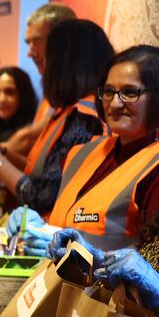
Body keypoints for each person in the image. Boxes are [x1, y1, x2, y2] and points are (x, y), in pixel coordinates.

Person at [0, 19, 113, 218]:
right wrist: (2, 151)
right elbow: (41, 172)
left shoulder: (85, 119)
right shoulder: (69, 112)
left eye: (48, 58)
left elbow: (39, 194)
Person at [13, 45, 159, 254]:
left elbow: (150, 265)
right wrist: (38, 226)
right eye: (109, 91)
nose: (115, 104)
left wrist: (85, 257)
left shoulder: (154, 167)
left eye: (129, 92)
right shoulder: (81, 153)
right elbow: (66, 223)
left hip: (106, 287)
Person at [0, 2, 77, 168]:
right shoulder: (52, 92)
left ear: (62, 41)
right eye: (28, 43)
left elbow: (28, 138)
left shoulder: (76, 92)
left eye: (38, 41)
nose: (30, 52)